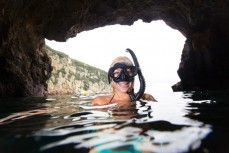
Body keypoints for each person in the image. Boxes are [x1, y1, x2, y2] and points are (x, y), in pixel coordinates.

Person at [92, 49, 157, 106]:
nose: (123, 77)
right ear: (111, 78)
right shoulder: (100, 102)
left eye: (128, 72)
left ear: (134, 75)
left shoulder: (146, 98)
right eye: (117, 73)